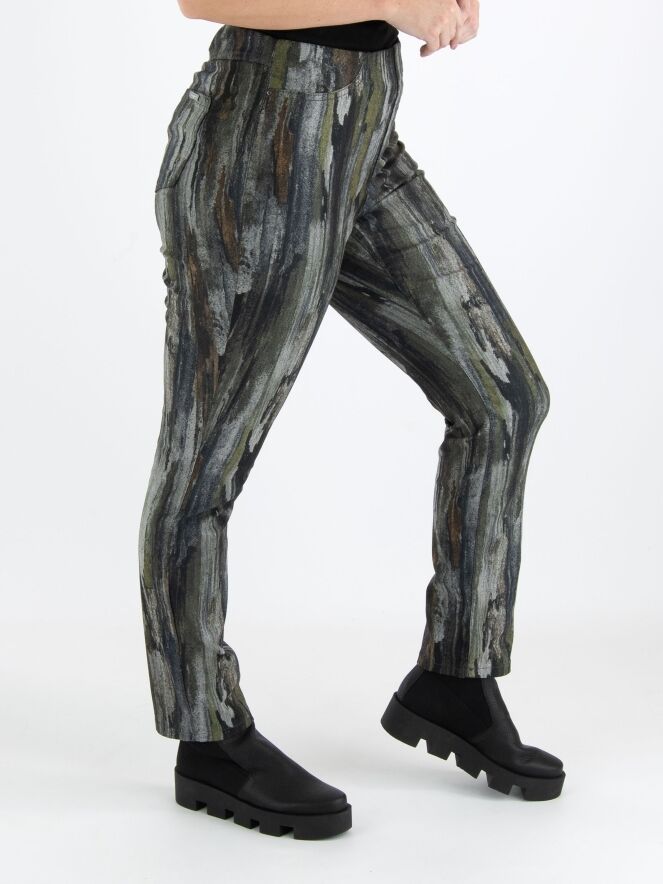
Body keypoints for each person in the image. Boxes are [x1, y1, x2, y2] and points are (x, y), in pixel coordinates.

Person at [138, 0, 566, 840]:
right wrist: (389, 2)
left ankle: (455, 676)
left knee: (502, 400)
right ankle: (207, 734)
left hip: (363, 126)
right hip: (256, 140)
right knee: (205, 460)